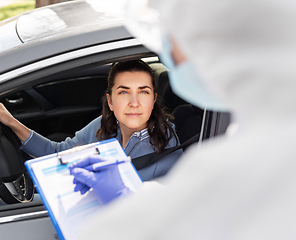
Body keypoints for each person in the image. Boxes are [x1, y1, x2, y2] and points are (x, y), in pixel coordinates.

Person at [68, 0, 296, 239]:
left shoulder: (237, 166)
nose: (167, 51)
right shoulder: (262, 139)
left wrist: (126, 199)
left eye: (171, 36)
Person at [0, 59, 183, 181]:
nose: (134, 103)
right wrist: (11, 122)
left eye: (143, 92)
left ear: (153, 99)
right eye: (124, 92)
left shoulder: (166, 144)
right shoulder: (105, 125)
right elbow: (57, 152)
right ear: (111, 100)